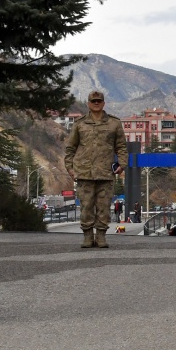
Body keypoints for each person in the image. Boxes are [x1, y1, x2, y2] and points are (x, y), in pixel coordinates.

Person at [64, 90, 128, 249]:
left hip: (105, 173)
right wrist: (70, 168)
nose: (96, 103)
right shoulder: (80, 124)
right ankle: (87, 236)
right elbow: (70, 148)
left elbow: (121, 147)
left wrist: (122, 164)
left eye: (99, 101)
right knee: (86, 206)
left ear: (103, 103)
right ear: (88, 104)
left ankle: (101, 236)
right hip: (85, 173)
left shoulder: (114, 123)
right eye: (93, 101)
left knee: (104, 207)